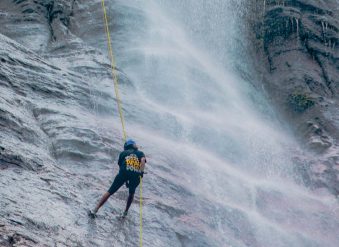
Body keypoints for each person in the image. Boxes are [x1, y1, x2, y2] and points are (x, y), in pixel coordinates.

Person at [89, 139, 146, 218]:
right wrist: (141, 172)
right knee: (131, 193)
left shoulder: (123, 153)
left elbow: (121, 166)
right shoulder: (140, 153)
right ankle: (125, 213)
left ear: (126, 147)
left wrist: (125, 179)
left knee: (110, 191)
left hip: (123, 173)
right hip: (135, 175)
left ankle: (95, 210)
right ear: (134, 145)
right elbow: (143, 161)